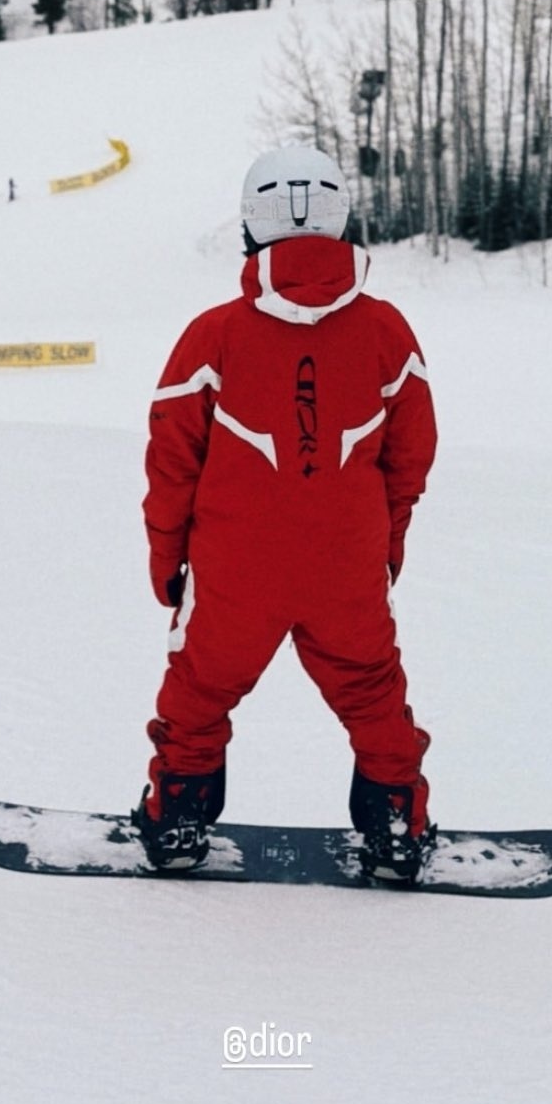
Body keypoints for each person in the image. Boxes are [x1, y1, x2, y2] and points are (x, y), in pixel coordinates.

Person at [134, 144, 437, 882]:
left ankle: (177, 817)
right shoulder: (387, 331)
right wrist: (385, 545)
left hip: (236, 568)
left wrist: (166, 554)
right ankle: (395, 823)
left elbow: (172, 461)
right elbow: (411, 456)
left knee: (200, 690)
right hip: (347, 564)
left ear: (250, 229)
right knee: (371, 689)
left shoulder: (212, 336)